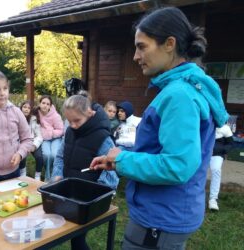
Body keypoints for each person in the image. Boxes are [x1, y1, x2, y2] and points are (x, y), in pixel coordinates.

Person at [90, 7, 228, 250]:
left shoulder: (179, 95)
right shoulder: (188, 87)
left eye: (142, 46)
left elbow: (178, 166)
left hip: (160, 218)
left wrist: (123, 160)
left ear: (169, 44)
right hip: (169, 212)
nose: (135, 56)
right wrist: (121, 160)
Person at [52, 94, 119, 250]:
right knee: (69, 234)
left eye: (77, 121)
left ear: (90, 113)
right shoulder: (70, 131)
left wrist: (98, 193)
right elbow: (60, 156)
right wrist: (57, 175)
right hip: (67, 193)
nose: (73, 125)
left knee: (77, 239)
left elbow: (112, 170)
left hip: (86, 200)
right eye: (69, 121)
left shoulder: (102, 138)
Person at [36, 95, 64, 181]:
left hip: (55, 138)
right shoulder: (36, 114)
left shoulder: (55, 116)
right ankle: (47, 177)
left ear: (50, 106)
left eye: (48, 104)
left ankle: (55, 175)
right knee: (47, 155)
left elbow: (61, 130)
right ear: (39, 104)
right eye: (43, 103)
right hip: (44, 139)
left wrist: (50, 133)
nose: (45, 105)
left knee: (54, 154)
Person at [208, 124, 234, 211]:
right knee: (196, 171)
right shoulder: (205, 123)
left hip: (217, 155)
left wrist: (221, 150)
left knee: (216, 170)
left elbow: (230, 143)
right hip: (202, 153)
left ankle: (213, 199)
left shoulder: (225, 128)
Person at [19, 100, 44, 180]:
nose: (26, 109)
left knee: (39, 157)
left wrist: (34, 145)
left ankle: (37, 176)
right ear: (21, 108)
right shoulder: (16, 118)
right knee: (22, 155)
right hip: (21, 142)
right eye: (24, 107)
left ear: (31, 110)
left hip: (33, 142)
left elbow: (39, 136)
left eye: (28, 108)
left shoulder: (34, 119)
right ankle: (22, 174)